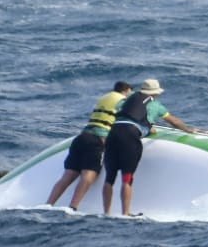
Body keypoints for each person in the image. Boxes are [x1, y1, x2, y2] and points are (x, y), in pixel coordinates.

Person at [102, 78, 197, 216]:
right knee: (127, 178)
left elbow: (121, 111)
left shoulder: (128, 100)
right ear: (156, 93)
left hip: (113, 132)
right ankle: (126, 213)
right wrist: (188, 129)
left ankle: (106, 212)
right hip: (130, 135)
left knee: (109, 178)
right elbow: (173, 121)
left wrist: (148, 125)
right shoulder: (155, 104)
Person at [46, 82, 132, 211]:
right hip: (97, 140)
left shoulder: (104, 98)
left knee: (68, 175)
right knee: (89, 175)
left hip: (82, 137)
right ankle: (73, 206)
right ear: (127, 90)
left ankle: (48, 204)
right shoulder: (122, 100)